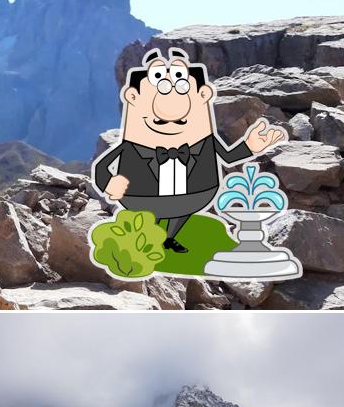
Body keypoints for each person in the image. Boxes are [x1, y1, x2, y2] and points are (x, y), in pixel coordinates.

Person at [92, 47, 285, 253]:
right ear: (133, 97)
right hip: (142, 195)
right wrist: (109, 183)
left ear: (203, 95)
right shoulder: (131, 146)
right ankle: (150, 237)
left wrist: (250, 146)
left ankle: (168, 238)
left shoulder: (205, 140)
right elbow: (104, 166)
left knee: (180, 211)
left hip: (193, 194)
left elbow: (228, 157)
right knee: (155, 215)